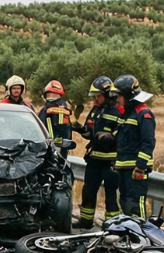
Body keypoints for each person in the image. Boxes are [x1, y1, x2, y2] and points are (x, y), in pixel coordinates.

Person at [77, 76, 123, 229]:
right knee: (88, 191)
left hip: (110, 161)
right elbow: (89, 133)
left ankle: (113, 225)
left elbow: (121, 135)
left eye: (99, 95)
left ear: (108, 94)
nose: (96, 98)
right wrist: (77, 128)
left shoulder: (119, 111)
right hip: (94, 160)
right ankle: (85, 221)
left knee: (111, 195)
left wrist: (107, 137)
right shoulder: (96, 109)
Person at [112, 74, 156, 218]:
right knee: (124, 203)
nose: (117, 99)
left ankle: (141, 235)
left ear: (128, 96)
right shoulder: (127, 114)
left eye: (119, 95)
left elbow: (148, 142)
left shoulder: (143, 114)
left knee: (135, 206)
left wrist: (140, 167)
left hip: (136, 170)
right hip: (124, 168)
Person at [37, 80, 72, 147]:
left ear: (60, 96)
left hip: (57, 147)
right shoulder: (44, 110)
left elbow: (63, 134)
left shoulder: (62, 111)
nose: (51, 97)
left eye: (54, 95)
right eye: (49, 95)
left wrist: (55, 144)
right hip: (43, 144)